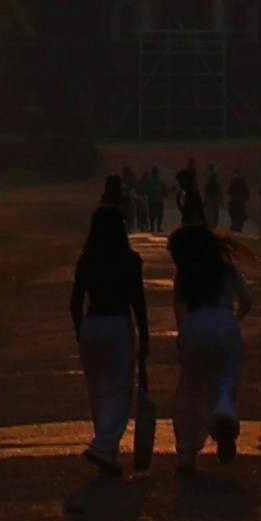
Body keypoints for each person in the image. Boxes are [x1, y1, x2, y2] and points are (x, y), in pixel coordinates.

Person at [71, 182, 149, 471]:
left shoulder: (86, 260)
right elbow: (137, 300)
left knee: (98, 389)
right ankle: (103, 444)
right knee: (119, 389)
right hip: (118, 323)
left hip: (92, 323)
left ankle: (109, 450)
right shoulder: (129, 260)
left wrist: (80, 330)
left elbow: (74, 301)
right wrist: (145, 336)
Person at [170, 190, 251, 469]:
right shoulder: (227, 268)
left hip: (194, 324)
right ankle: (223, 412)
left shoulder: (185, 272)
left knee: (190, 387)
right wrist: (234, 321)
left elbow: (178, 307)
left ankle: (186, 450)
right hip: (223, 320)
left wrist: (183, 335)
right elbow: (247, 300)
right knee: (226, 379)